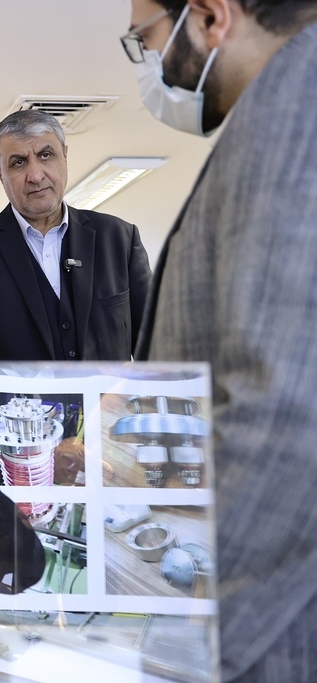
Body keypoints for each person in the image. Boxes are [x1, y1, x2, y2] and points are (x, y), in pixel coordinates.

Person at [123, 1, 317, 680]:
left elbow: (289, 410)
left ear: (210, 18)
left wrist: (180, 625)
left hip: (268, 627)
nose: (148, 63)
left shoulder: (297, 107)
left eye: (144, 39)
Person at [0, 109, 152, 362]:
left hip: (108, 402)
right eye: (18, 162)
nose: (36, 176)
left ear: (65, 156)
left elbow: (156, 344)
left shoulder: (119, 239)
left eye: (45, 155)